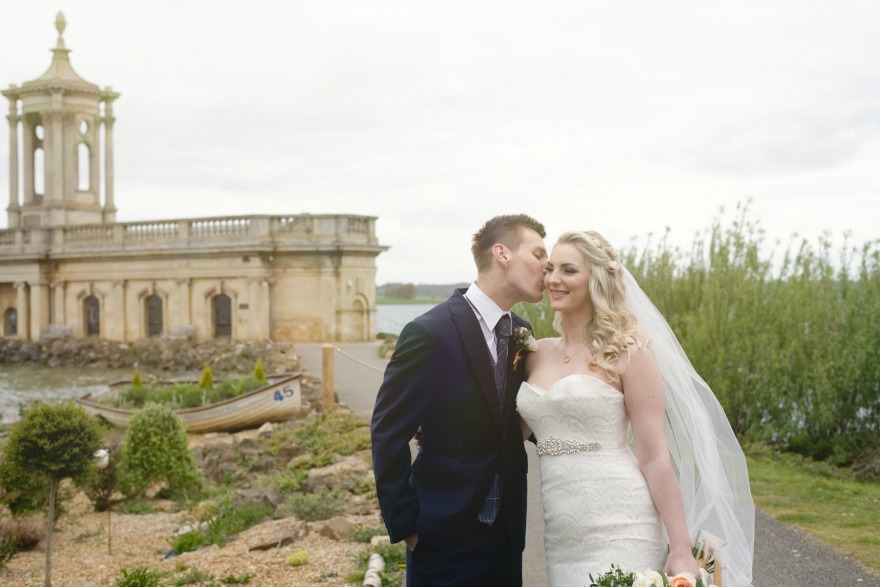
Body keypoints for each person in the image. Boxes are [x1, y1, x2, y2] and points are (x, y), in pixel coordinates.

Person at [517, 230, 755, 587]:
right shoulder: (534, 353)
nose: (553, 279)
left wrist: (679, 546)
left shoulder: (627, 352)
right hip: (560, 530)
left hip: (622, 522)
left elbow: (654, 454)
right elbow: (506, 431)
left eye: (569, 270)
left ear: (596, 280)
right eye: (551, 268)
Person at [371, 214, 547, 586]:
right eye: (537, 253)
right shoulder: (429, 333)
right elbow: (388, 431)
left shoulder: (522, 332)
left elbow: (521, 416)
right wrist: (405, 524)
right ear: (502, 253)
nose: (546, 266)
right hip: (441, 530)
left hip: (507, 534)